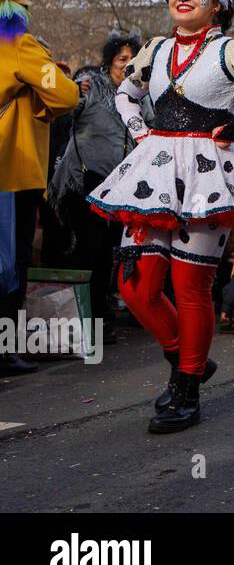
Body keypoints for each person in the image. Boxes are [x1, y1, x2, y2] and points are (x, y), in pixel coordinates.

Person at [87, 0, 234, 432]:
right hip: (155, 172)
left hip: (207, 175)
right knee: (135, 283)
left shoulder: (233, 48)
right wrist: (142, 133)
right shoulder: (157, 48)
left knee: (189, 286)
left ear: (217, 4)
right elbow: (126, 93)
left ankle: (186, 386)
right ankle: (190, 360)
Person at [0, 0, 79, 375]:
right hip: (11, 169)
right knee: (10, 265)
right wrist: (44, 103)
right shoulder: (19, 46)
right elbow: (66, 95)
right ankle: (4, 349)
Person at [48, 34, 140, 345]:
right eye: (121, 60)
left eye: (132, 60)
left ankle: (100, 318)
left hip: (119, 185)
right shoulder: (91, 81)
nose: (127, 65)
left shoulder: (139, 91)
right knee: (88, 250)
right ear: (110, 60)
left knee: (107, 253)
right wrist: (74, 93)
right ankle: (81, 321)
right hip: (83, 178)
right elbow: (68, 110)